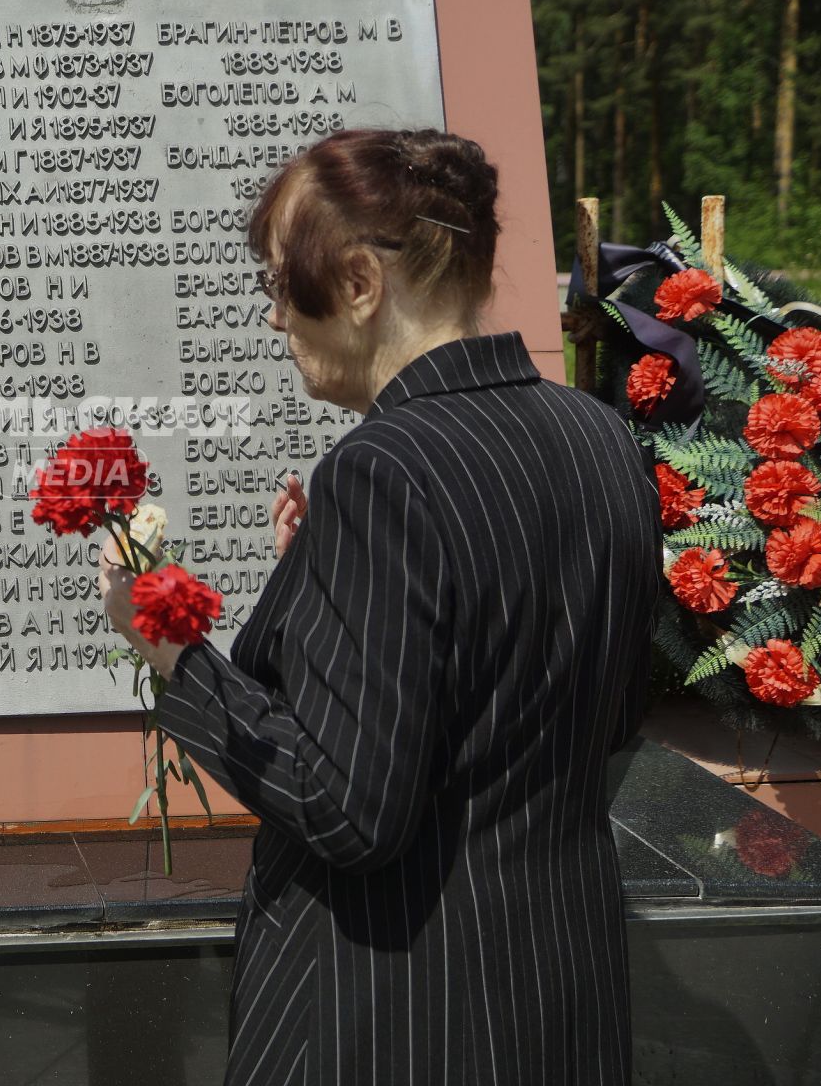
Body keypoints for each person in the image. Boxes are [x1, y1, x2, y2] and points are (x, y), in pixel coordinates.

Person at [99, 129, 660, 1084]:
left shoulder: (382, 469)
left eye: (281, 283)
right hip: (561, 996)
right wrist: (330, 582)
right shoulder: (599, 435)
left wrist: (168, 649)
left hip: (397, 1015)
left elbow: (344, 807)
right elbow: (592, 722)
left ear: (359, 283)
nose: (275, 319)